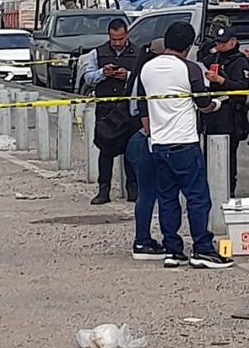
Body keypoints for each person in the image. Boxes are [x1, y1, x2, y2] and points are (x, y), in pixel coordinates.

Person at [137, 21, 234, 270]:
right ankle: (202, 248)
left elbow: (143, 107)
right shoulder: (189, 69)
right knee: (198, 198)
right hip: (185, 142)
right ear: (189, 46)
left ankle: (173, 250)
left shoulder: (146, 69)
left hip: (159, 144)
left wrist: (152, 132)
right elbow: (203, 104)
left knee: (167, 199)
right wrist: (219, 104)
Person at [123, 39, 172, 260]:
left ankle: (144, 239)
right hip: (147, 139)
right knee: (151, 193)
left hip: (138, 139)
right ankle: (142, 241)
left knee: (147, 193)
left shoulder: (140, 72)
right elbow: (141, 110)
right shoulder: (150, 76)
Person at [82, 17, 140, 205]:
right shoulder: (96, 54)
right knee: (105, 150)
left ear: (127, 35)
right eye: (114, 39)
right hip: (106, 109)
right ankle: (103, 190)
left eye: (121, 38)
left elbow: (143, 78)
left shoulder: (138, 53)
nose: (117, 43)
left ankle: (133, 189)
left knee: (132, 150)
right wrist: (102, 73)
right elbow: (88, 78)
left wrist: (128, 76)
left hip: (129, 108)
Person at [200, 24, 249, 197]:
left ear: (233, 41)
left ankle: (228, 191)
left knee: (228, 157)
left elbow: (242, 88)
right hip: (213, 112)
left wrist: (221, 80)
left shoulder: (240, 61)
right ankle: (211, 189)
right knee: (209, 154)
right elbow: (202, 59)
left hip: (231, 114)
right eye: (218, 42)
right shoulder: (215, 58)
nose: (220, 46)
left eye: (223, 42)